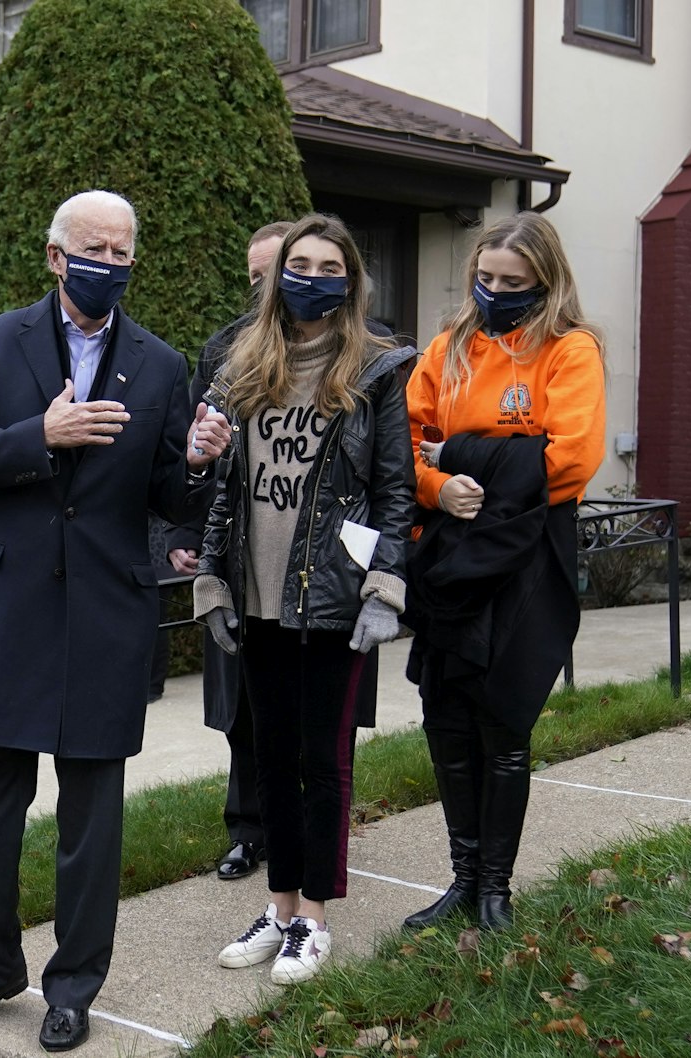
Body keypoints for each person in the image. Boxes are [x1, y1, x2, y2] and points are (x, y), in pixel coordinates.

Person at [0, 189, 232, 1051]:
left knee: (92, 819)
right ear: (57, 257)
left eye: (123, 251)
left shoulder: (162, 364)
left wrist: (200, 461)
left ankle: (73, 986)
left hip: (104, 616)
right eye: (93, 247)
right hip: (6, 616)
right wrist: (39, 434)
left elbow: (169, 494)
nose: (109, 262)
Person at [194, 213, 415, 984]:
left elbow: (395, 489)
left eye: (328, 265)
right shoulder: (242, 365)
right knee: (269, 759)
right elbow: (219, 486)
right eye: (299, 263)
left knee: (322, 762)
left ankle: (314, 918)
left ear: (350, 279)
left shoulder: (378, 370)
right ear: (276, 274)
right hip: (256, 597)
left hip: (331, 600)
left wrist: (385, 588)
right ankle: (279, 907)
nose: (311, 277)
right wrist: (210, 580)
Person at [401, 211, 606, 932]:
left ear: (544, 283)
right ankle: (461, 879)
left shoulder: (569, 350)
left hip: (528, 553)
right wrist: (437, 483)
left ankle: (496, 888)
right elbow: (410, 445)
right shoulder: (448, 348)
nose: (495, 293)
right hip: (450, 547)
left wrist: (460, 456)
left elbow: (573, 459)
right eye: (485, 279)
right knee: (447, 721)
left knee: (504, 720)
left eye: (512, 283)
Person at [167, 221, 294, 881]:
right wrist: (187, 537)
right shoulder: (222, 350)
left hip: (312, 556)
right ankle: (248, 829)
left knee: (312, 705)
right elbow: (197, 451)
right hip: (237, 550)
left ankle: (315, 828)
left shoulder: (361, 349)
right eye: (253, 275)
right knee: (240, 704)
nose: (261, 287)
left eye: (272, 270)